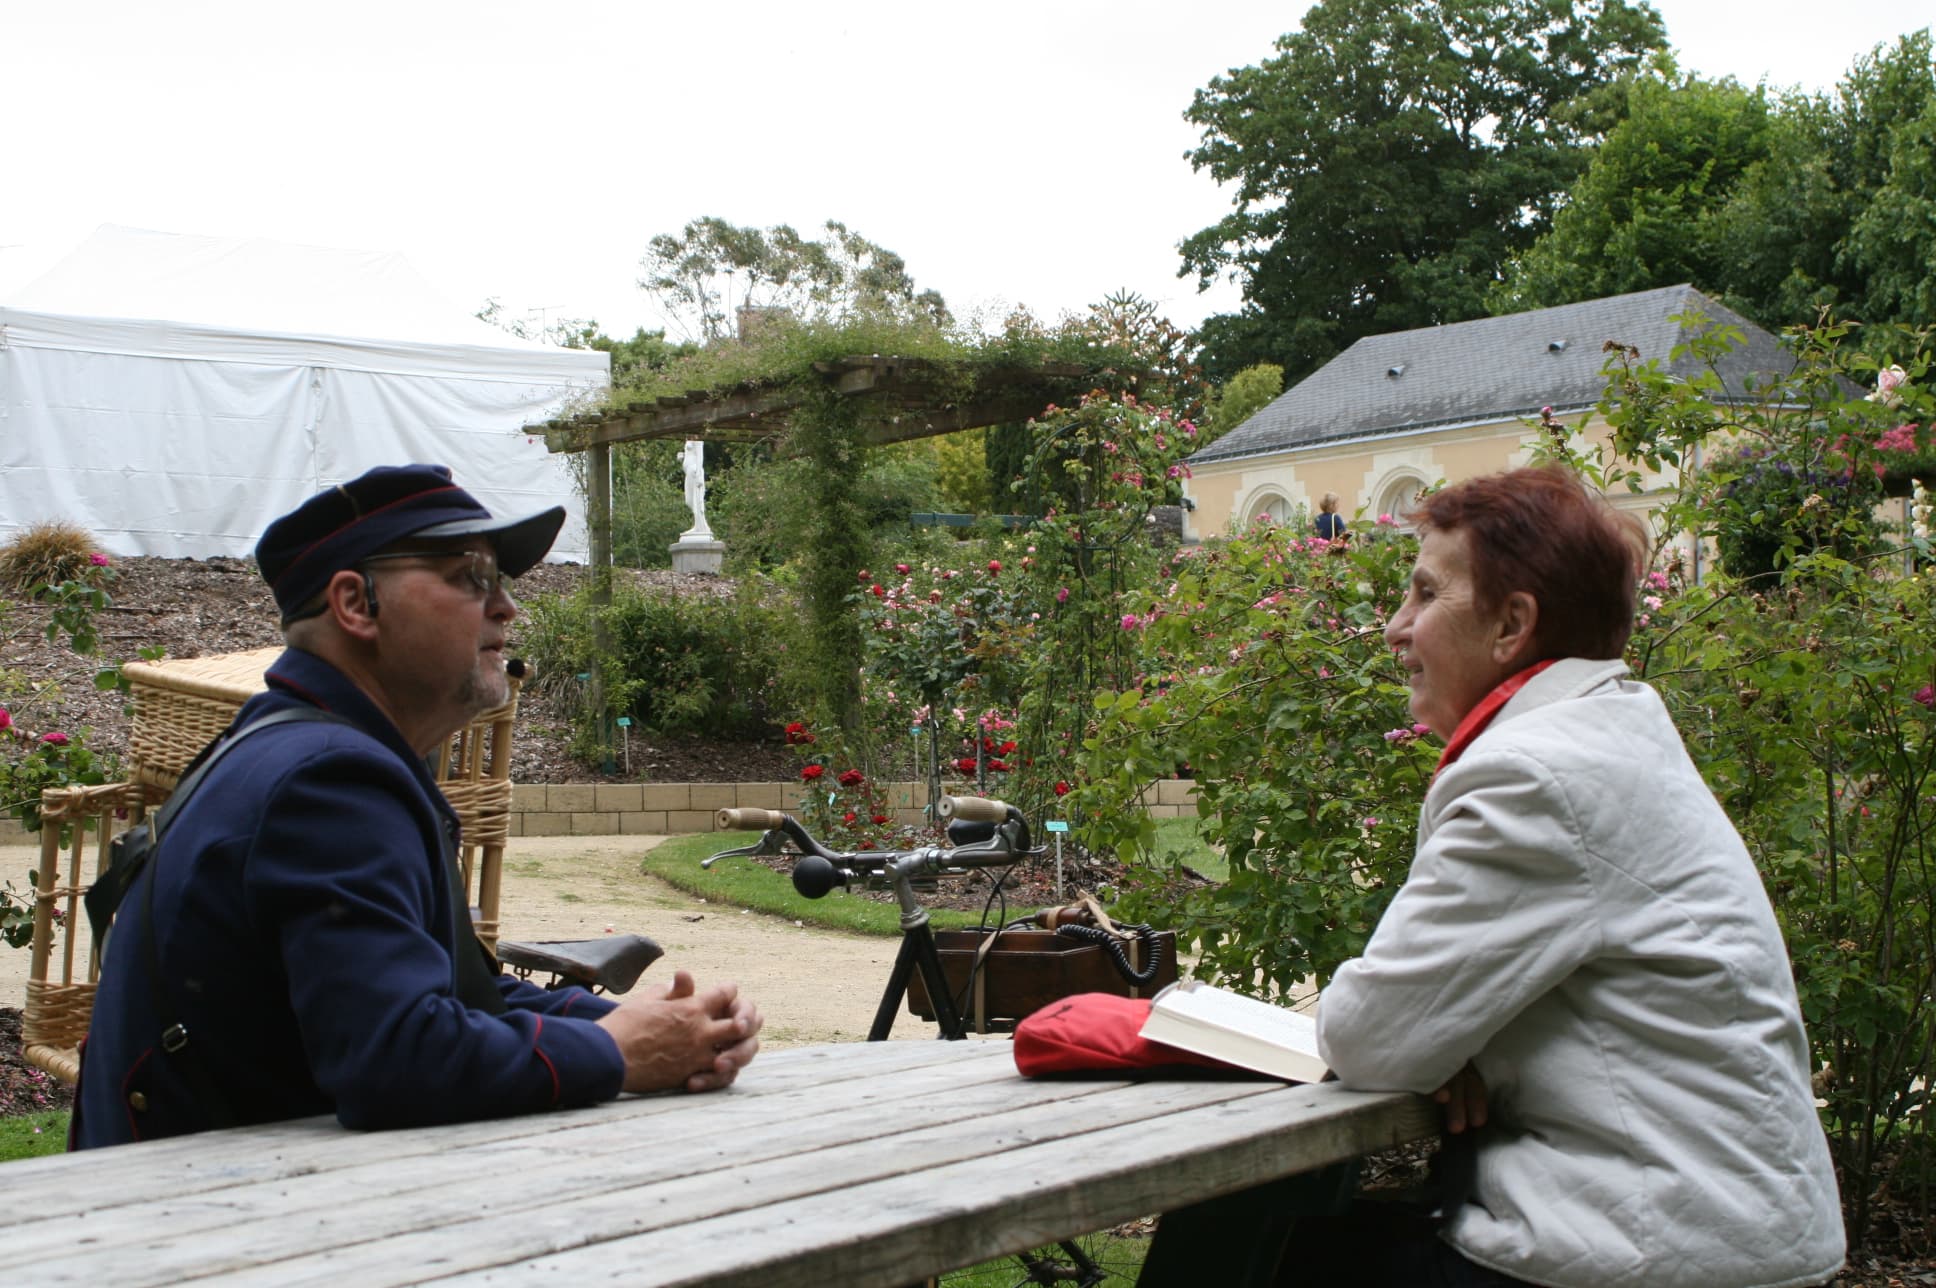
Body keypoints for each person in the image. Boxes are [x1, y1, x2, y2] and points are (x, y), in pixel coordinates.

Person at [1142, 465, 1843, 1287]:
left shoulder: (1535, 776)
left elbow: (1370, 1036)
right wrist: (1449, 1043)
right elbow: (1423, 1025)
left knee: (1230, 1229)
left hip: (1659, 1249)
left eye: (1425, 596)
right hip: (1714, 1233)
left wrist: (1427, 1043)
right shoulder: (1606, 731)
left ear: (1512, 625)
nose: (1394, 629)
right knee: (1269, 1236)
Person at [72, 464, 761, 1148]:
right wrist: (618, 1054)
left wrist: (650, 1025)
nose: (506, 608)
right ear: (356, 603)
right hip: (199, 1239)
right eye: (471, 577)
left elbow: (451, 996)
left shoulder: (290, 749)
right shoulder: (330, 782)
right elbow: (397, 1057)